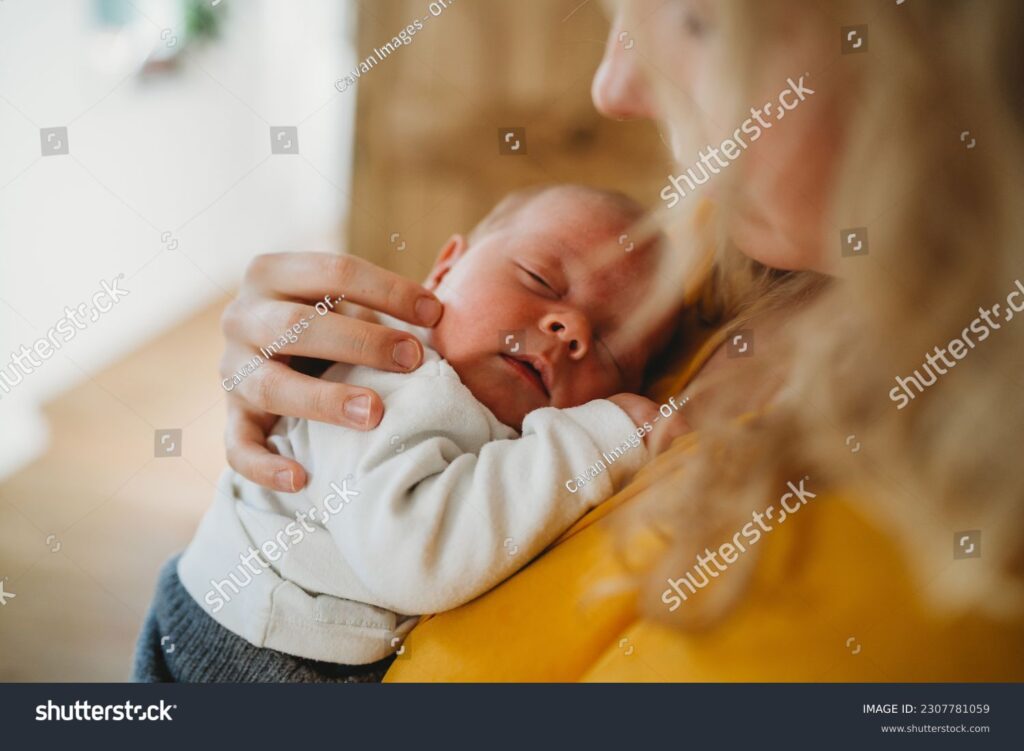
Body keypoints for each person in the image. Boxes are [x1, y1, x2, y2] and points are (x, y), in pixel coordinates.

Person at [217, 0, 1024, 681]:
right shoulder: (731, 246)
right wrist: (287, 346)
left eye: (700, 23)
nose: (613, 87)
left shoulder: (921, 551)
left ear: (933, 69)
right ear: (443, 266)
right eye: (539, 278)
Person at [133, 185, 687, 682]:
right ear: (445, 269)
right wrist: (605, 436)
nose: (571, 330)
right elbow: (418, 555)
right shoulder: (405, 379)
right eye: (540, 278)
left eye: (615, 346)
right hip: (254, 649)